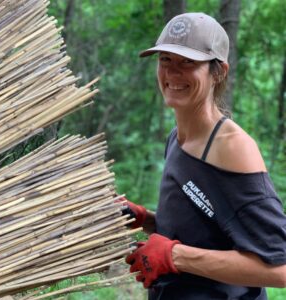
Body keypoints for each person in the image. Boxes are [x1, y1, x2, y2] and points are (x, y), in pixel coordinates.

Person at [122, 12, 286, 300]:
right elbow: (210, 231)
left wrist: (175, 255)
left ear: (219, 72)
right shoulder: (177, 137)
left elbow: (280, 268)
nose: (173, 73)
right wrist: (147, 220)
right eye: (165, 60)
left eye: (188, 62)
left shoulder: (232, 148)